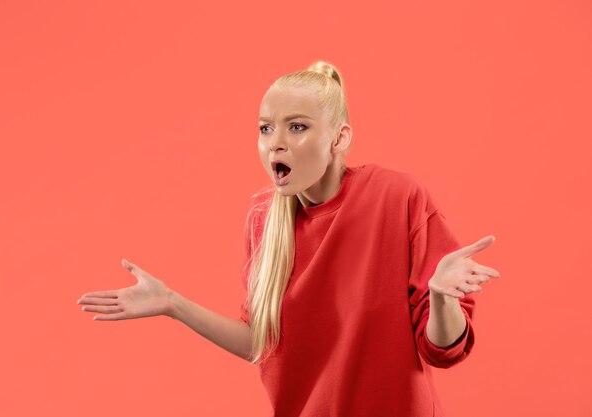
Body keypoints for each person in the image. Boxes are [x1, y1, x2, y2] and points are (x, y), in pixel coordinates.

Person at [77, 60, 500, 417]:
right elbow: (261, 344)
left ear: (340, 138)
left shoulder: (397, 196)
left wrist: (441, 296)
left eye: (296, 127)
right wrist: (172, 303)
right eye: (265, 129)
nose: (276, 143)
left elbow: (442, 350)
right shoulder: (264, 220)